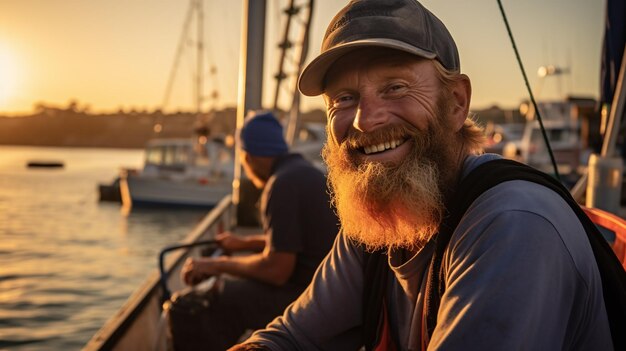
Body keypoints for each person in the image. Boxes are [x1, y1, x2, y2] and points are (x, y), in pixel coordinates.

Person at [231, 0, 614, 350]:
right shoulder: (379, 226)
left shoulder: (514, 223)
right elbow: (292, 337)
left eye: (395, 87)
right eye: (344, 99)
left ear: (456, 102)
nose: (366, 120)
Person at [180, 111, 339, 350]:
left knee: (218, 298)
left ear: (248, 156)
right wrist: (242, 244)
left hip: (310, 301)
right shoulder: (302, 172)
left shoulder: (280, 186)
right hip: (331, 293)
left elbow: (277, 270)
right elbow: (290, 240)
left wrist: (216, 265)